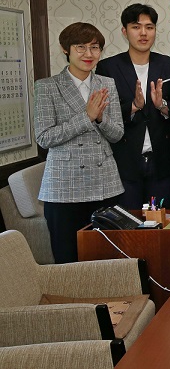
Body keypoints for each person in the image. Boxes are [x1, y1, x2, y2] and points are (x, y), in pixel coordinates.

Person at [34, 23, 124, 263]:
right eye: (80, 47)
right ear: (66, 49)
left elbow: (117, 134)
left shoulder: (107, 84)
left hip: (104, 183)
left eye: (95, 47)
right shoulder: (47, 86)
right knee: (68, 259)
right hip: (64, 187)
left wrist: (101, 118)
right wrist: (87, 117)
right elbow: (44, 137)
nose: (88, 54)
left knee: (107, 258)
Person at [96, 3, 170, 209]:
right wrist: (133, 107)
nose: (143, 33)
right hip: (124, 161)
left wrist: (162, 105)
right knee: (128, 222)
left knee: (160, 221)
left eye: (149, 27)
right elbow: (103, 114)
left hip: (163, 160)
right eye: (136, 27)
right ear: (124, 31)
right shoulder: (108, 67)